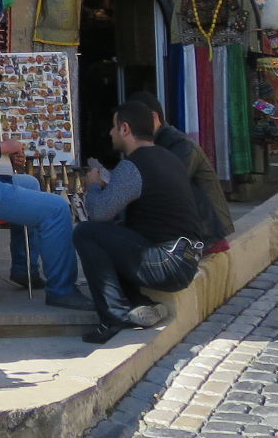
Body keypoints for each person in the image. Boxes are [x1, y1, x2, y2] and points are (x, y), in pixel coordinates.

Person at [0, 58, 83, 308]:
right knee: (57, 209)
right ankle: (62, 289)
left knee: (29, 182)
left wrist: (7, 159)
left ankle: (24, 268)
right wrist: (5, 146)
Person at [71, 100, 206, 343]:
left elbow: (98, 213)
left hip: (168, 261)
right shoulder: (167, 157)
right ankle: (139, 305)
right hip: (185, 258)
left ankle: (113, 316)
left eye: (114, 127)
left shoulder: (133, 165)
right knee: (113, 234)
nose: (110, 133)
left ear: (125, 129)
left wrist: (92, 186)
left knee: (87, 233)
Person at [124, 91, 234, 252]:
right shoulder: (154, 145)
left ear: (153, 118)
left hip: (208, 232)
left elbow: (164, 190)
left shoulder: (181, 145)